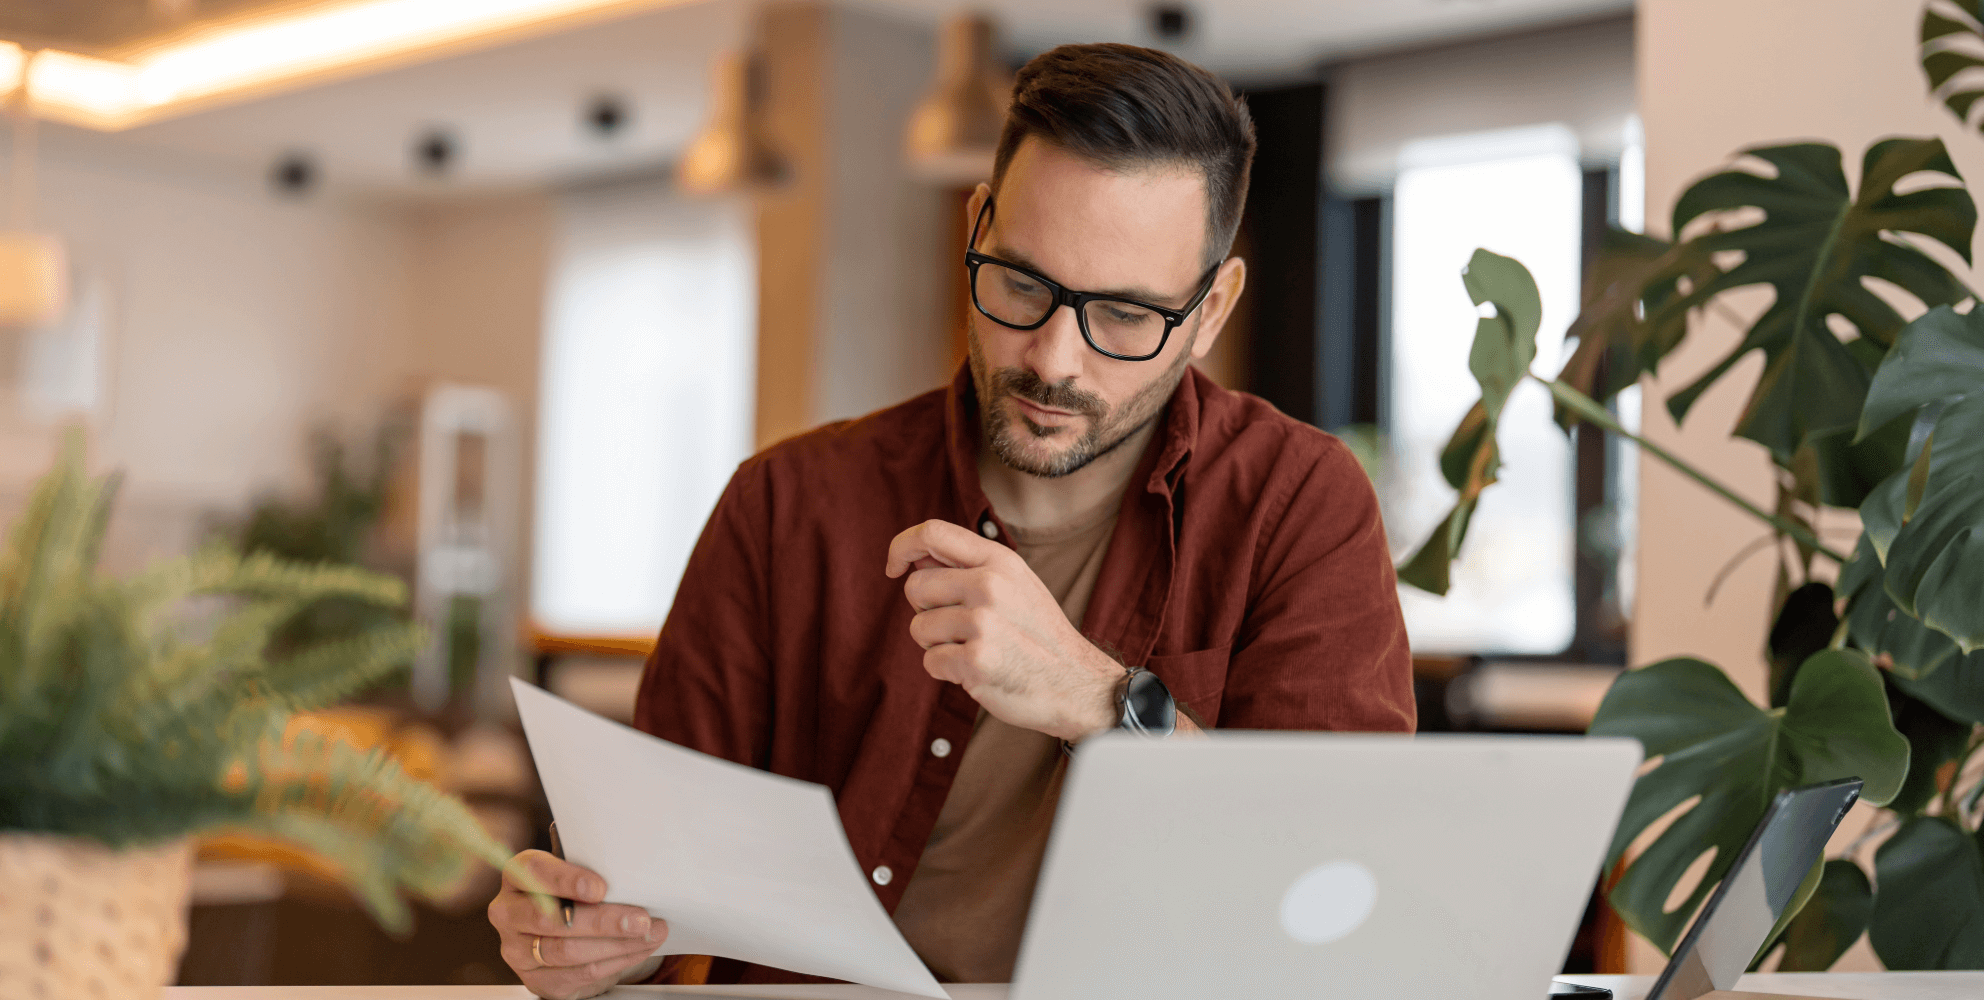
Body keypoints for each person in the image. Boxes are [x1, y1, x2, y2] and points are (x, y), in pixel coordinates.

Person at [487, 41, 1414, 1000]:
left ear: (1211, 309)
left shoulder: (1300, 504)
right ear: (976, 226)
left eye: (1127, 316)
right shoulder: (785, 506)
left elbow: (1336, 890)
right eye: (1021, 284)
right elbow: (652, 892)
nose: (1054, 359)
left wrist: (1098, 703)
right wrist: (596, 940)